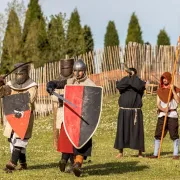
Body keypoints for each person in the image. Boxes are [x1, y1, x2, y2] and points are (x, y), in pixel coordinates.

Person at [46, 59, 96, 177]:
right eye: (75, 71)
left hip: (83, 119)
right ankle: (66, 160)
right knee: (68, 138)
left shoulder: (90, 84)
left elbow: (92, 101)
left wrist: (68, 97)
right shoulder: (71, 80)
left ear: (84, 71)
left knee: (82, 142)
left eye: (80, 71)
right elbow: (61, 83)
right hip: (71, 117)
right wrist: (52, 84)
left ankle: (78, 164)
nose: (77, 74)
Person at [0, 63, 38, 172]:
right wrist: (1, 85)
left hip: (25, 116)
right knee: (13, 140)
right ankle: (23, 164)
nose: (19, 76)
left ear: (26, 73)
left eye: (21, 73)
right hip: (13, 116)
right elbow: (3, 93)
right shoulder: (11, 84)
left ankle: (12, 163)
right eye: (17, 74)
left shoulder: (32, 85)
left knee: (20, 140)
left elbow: (29, 99)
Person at [114, 67, 146, 158]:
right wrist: (130, 80)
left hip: (135, 111)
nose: (129, 75)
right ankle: (120, 152)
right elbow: (119, 86)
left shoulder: (139, 81)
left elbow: (140, 87)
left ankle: (140, 153)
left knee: (137, 131)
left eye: (131, 73)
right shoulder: (125, 80)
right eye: (129, 73)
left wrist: (133, 78)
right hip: (124, 111)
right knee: (122, 131)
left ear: (135, 74)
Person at [51, 58, 75, 173]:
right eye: (64, 68)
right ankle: (67, 161)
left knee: (73, 138)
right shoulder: (58, 81)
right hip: (62, 112)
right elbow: (54, 97)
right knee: (65, 138)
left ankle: (67, 161)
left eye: (67, 67)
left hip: (74, 113)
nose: (66, 70)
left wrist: (68, 96)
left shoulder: (75, 80)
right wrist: (63, 97)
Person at [150, 72, 180, 159]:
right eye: (163, 78)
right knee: (158, 134)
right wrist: (163, 109)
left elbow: (178, 101)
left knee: (174, 134)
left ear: (169, 79)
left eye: (166, 78)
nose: (164, 80)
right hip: (162, 114)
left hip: (172, 114)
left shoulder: (176, 89)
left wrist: (173, 90)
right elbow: (158, 104)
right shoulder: (160, 90)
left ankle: (175, 154)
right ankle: (155, 154)